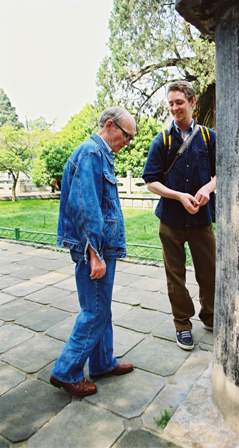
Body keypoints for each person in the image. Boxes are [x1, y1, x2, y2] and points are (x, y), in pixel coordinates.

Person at [50, 107, 136, 396]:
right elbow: (84, 206)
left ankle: (102, 362)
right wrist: (94, 253)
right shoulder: (91, 154)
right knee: (94, 312)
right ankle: (67, 371)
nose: (129, 142)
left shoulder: (99, 154)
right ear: (110, 125)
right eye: (127, 136)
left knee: (101, 309)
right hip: (95, 249)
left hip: (101, 246)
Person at [143, 81, 216, 351]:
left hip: (201, 221)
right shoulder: (161, 140)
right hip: (171, 222)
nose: (174, 108)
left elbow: (223, 172)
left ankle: (210, 316)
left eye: (179, 102)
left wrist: (208, 189)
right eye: (171, 103)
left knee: (209, 274)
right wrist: (178, 196)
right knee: (175, 277)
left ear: (193, 102)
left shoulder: (209, 138)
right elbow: (151, 181)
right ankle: (182, 324)